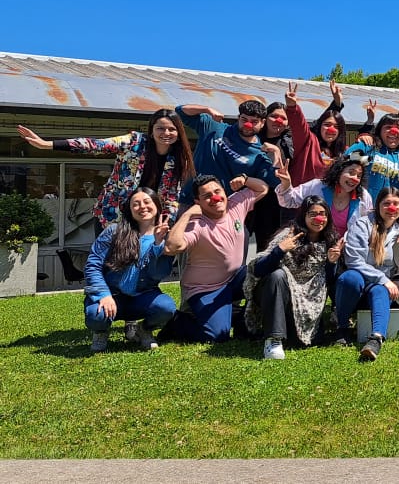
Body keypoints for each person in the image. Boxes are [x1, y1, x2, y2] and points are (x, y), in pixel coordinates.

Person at [18, 108, 195, 226]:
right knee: (110, 268)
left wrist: (167, 221)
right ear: (151, 130)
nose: (166, 133)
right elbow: (95, 145)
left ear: (179, 133)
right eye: (160, 128)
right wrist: (47, 145)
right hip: (113, 216)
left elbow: (172, 197)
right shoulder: (134, 142)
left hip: (148, 220)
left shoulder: (179, 159)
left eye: (172, 129)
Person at [163, 174, 268, 342]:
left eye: (217, 191)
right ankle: (178, 322)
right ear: (198, 202)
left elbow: (263, 188)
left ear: (224, 192)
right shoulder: (196, 224)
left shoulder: (236, 204)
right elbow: (171, 247)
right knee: (217, 335)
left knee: (265, 270)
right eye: (207, 196)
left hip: (234, 279)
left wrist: (245, 179)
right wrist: (187, 215)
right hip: (206, 289)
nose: (215, 198)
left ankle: (239, 318)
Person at [336, 187, 399, 359]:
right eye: (386, 203)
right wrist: (383, 279)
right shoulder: (362, 224)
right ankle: (342, 328)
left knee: (380, 290)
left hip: (380, 288)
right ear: (378, 205)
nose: (392, 208)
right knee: (349, 278)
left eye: (396, 203)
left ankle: (376, 339)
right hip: (359, 283)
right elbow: (354, 261)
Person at [244, 196, 343, 360]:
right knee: (278, 274)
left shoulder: (330, 242)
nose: (319, 218)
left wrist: (332, 263)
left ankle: (288, 333)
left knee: (302, 341)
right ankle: (273, 339)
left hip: (308, 303)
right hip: (277, 296)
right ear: (303, 216)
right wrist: (280, 250)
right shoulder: (288, 235)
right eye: (312, 214)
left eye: (323, 214)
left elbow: (328, 284)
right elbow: (258, 270)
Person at [83, 188, 177, 352]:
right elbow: (93, 265)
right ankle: (101, 331)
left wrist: (157, 244)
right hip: (113, 295)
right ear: (129, 209)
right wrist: (103, 294)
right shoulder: (114, 232)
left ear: (157, 205)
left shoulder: (165, 237)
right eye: (136, 204)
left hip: (143, 295)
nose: (142, 207)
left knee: (166, 308)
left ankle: (144, 330)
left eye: (147, 202)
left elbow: (159, 274)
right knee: (95, 315)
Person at [175, 100, 280, 203]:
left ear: (263, 123)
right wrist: (206, 109)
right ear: (238, 118)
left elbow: (277, 182)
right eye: (244, 119)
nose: (248, 125)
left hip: (218, 208)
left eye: (254, 121)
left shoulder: (259, 155)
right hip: (189, 200)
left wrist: (277, 153)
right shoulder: (213, 127)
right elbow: (180, 111)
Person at [274, 156, 372, 239]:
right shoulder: (317, 186)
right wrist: (286, 184)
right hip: (314, 246)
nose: (355, 178)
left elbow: (369, 225)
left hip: (346, 251)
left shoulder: (363, 196)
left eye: (359, 176)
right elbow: (288, 201)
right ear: (339, 172)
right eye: (351, 172)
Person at [249, 101, 296, 251]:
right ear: (265, 119)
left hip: (278, 204)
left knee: (274, 248)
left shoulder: (290, 142)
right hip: (252, 200)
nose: (278, 121)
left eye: (283, 118)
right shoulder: (252, 139)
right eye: (274, 116)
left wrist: (336, 104)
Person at [284, 81, 348, 185]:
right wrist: (292, 107)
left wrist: (366, 133)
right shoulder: (308, 142)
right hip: (303, 199)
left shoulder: (343, 152)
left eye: (336, 127)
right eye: (327, 125)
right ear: (320, 126)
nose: (331, 129)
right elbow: (299, 126)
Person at [345, 114, 399, 204]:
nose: (393, 131)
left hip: (386, 211)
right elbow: (346, 158)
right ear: (380, 130)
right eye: (388, 127)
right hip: (359, 206)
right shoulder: (368, 145)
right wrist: (370, 160)